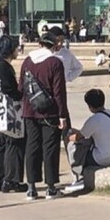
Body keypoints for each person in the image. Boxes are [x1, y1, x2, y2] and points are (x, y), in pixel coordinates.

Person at [21, 33, 70, 200]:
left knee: (32, 146)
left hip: (29, 110)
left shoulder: (27, 61)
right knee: (50, 147)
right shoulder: (55, 62)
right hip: (50, 111)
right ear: (54, 46)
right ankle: (51, 187)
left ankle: (31, 187)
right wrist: (62, 114)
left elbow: (22, 86)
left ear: (39, 44)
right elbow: (59, 92)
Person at [63, 87, 110, 192]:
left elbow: (78, 137)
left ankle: (77, 176)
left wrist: (68, 136)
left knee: (72, 144)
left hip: (105, 158)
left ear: (90, 106)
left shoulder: (94, 120)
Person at [0, 38, 26, 193]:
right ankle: (11, 179)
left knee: (1, 142)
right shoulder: (3, 66)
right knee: (13, 142)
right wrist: (19, 95)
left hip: (1, 108)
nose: (18, 51)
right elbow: (6, 87)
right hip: (9, 108)